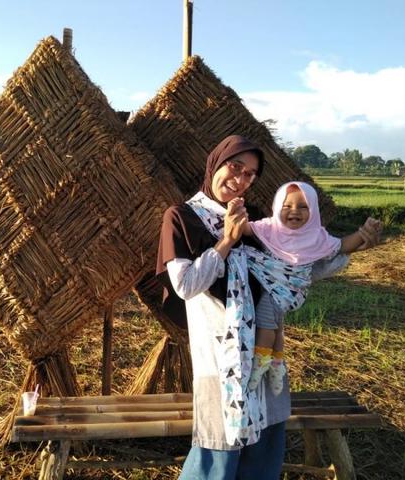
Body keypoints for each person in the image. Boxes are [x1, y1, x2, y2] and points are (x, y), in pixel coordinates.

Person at [156, 135, 380, 479]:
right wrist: (227, 240)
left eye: (250, 174)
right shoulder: (182, 217)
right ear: (216, 163)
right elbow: (186, 286)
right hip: (222, 357)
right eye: (235, 167)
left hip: (264, 351)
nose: (240, 179)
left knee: (264, 444)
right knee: (219, 449)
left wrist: (352, 248)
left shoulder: (257, 219)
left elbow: (292, 271)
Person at [242, 182, 383, 395]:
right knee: (277, 327)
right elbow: (244, 229)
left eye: (303, 206)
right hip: (272, 288)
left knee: (265, 324)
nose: (294, 211)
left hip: (289, 291)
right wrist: (233, 216)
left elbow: (342, 245)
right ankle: (277, 365)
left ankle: (261, 363)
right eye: (287, 205)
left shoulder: (317, 237)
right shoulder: (268, 228)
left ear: (314, 210)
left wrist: (364, 233)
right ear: (276, 206)